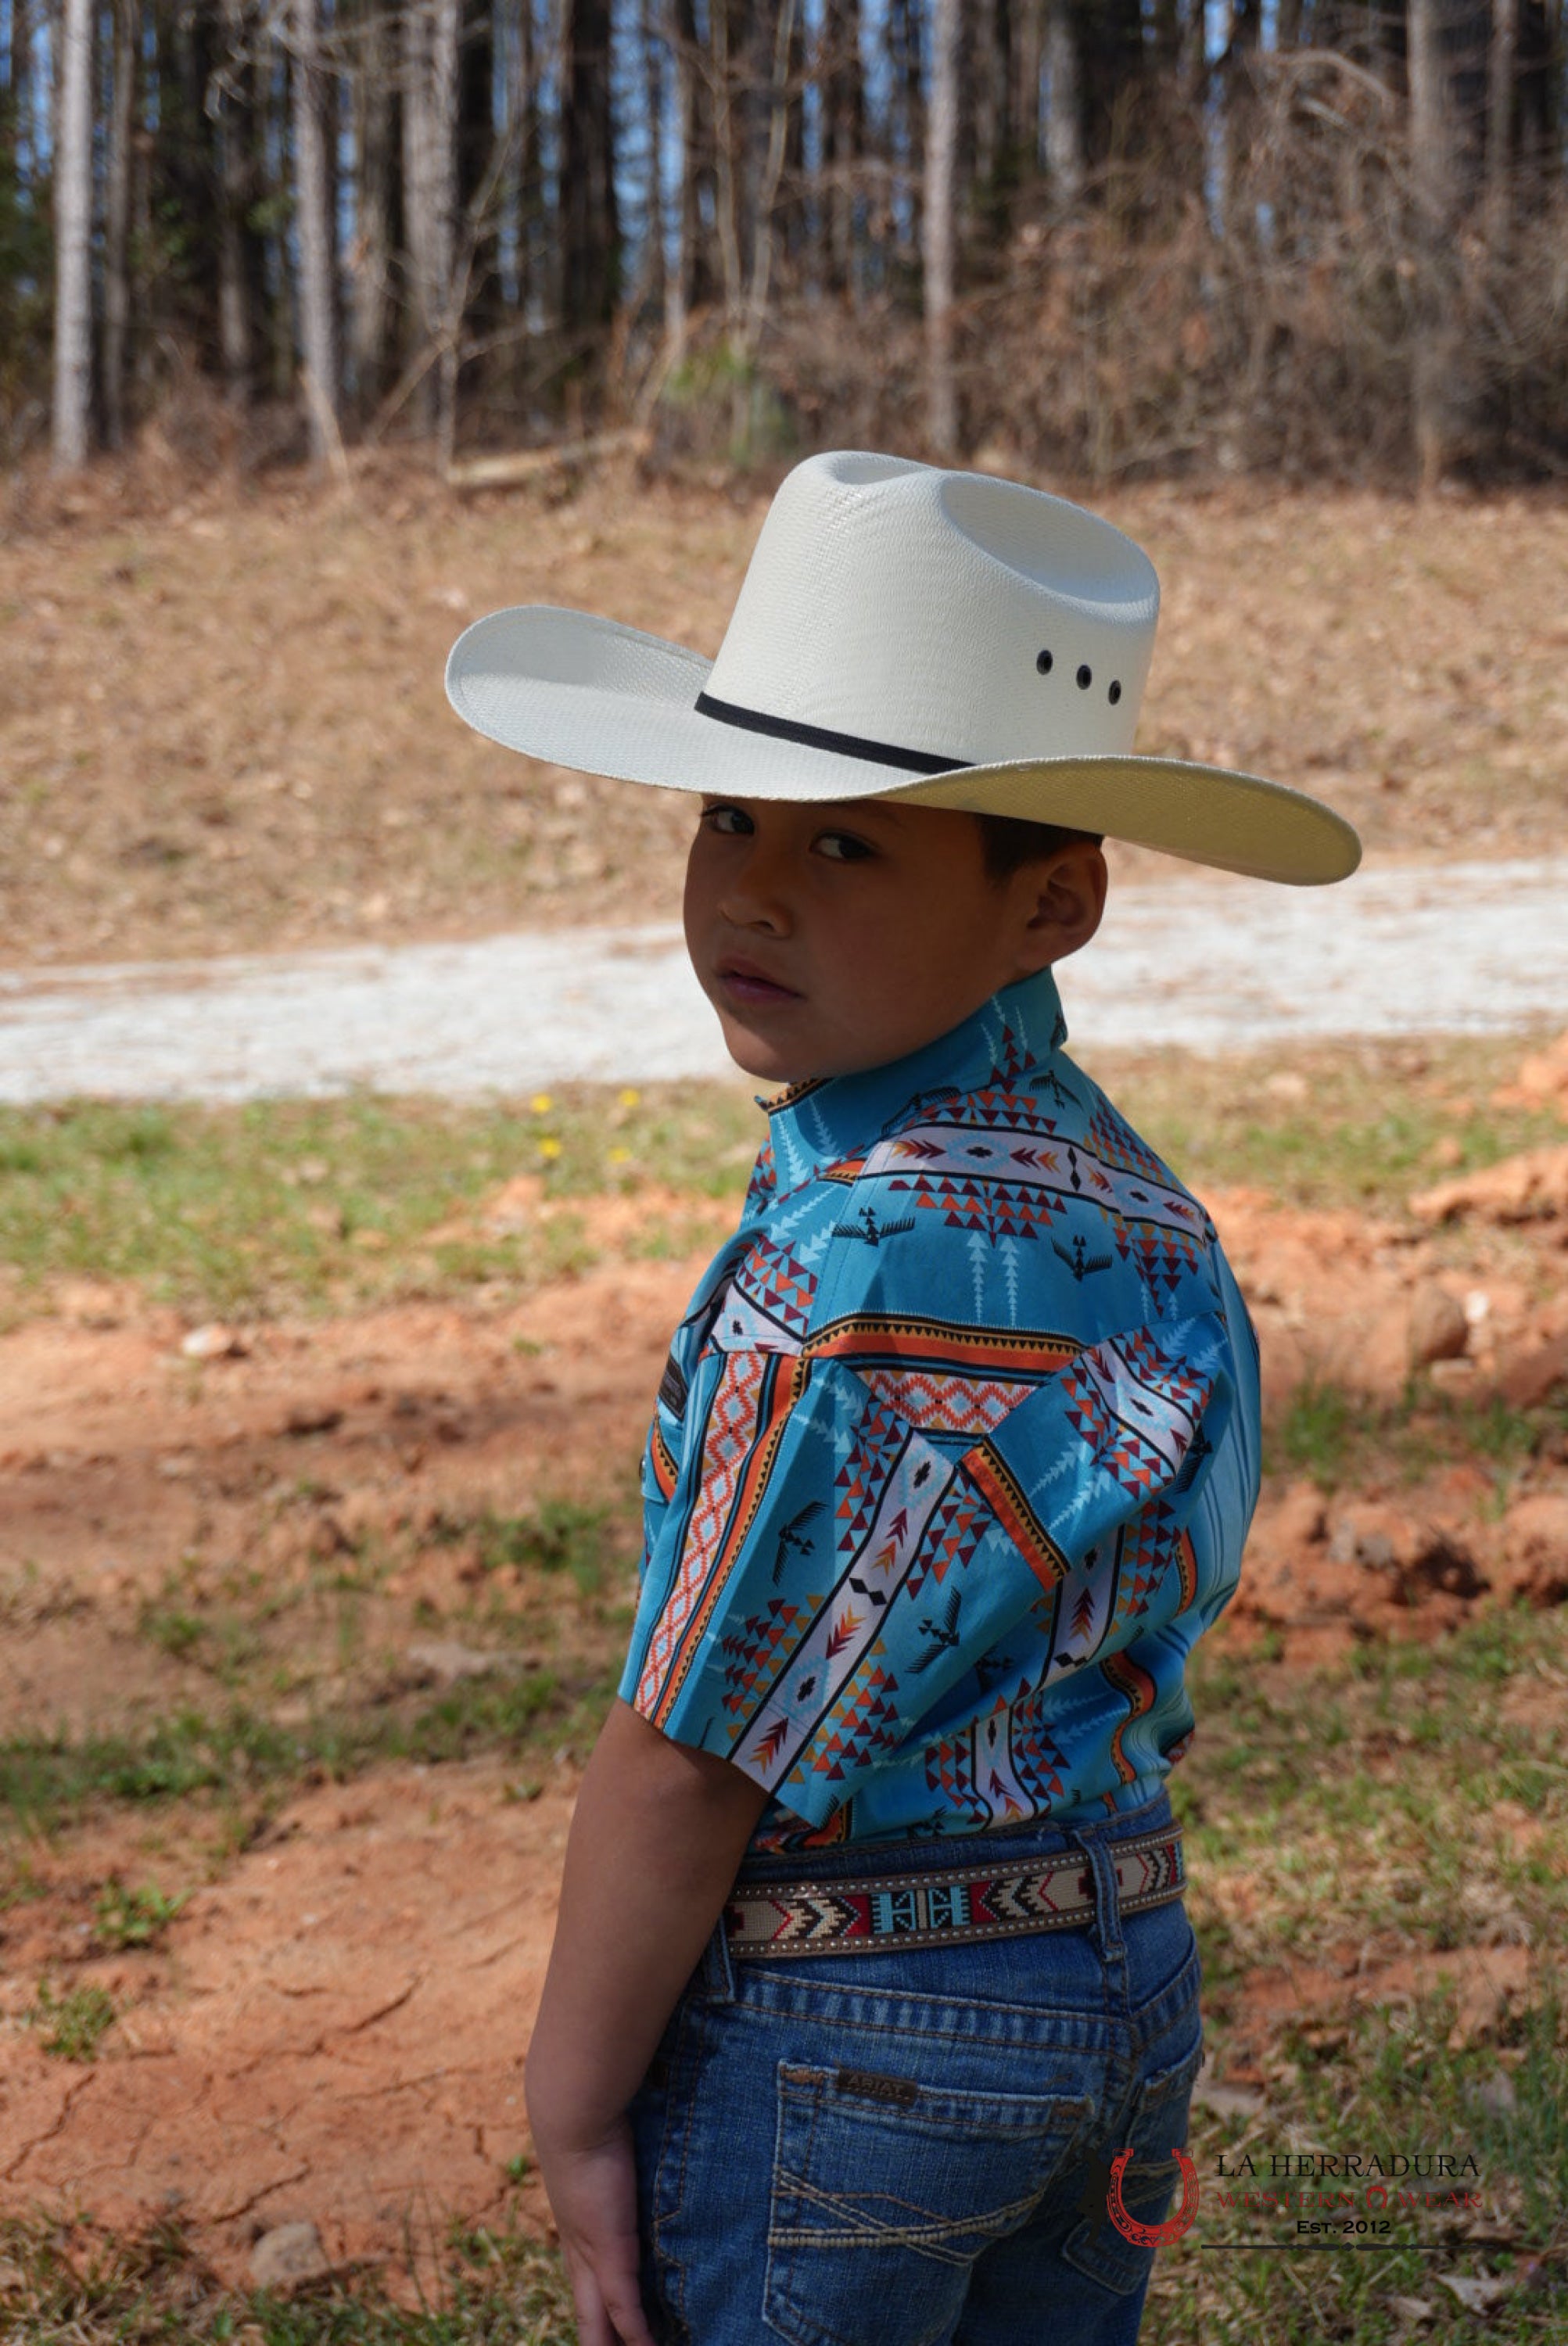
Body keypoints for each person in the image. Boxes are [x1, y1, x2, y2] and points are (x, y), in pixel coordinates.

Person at [445, 450, 1360, 2346]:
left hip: (846, 2033)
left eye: (845, 843)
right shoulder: (1150, 1217)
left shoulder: (847, 1261)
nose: (753, 892)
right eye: (728, 821)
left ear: (1055, 905)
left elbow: (694, 1748)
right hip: (1121, 1985)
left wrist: (572, 2089)